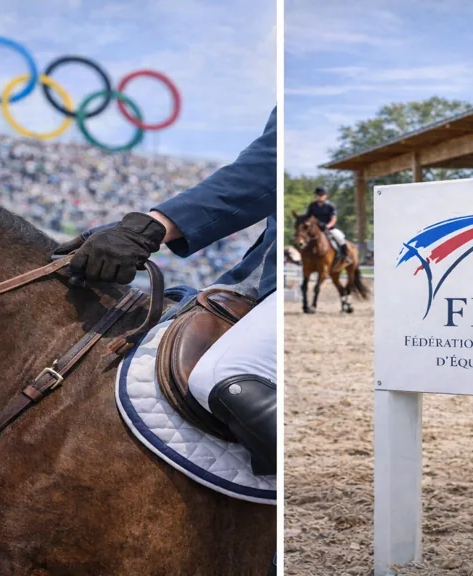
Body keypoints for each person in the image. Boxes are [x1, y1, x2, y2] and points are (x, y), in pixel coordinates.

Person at [55, 107, 277, 476]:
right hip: (249, 274)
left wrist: (150, 228)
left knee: (222, 374)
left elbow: (263, 169)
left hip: (267, 278)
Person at [303, 186, 348, 263]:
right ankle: (303, 258)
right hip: (315, 229)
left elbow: (333, 219)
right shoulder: (312, 206)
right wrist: (307, 223)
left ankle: (345, 257)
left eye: (322, 195)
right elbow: (307, 217)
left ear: (325, 196)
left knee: (340, 238)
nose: (320, 196)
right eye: (318, 195)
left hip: (329, 228)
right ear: (315, 196)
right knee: (302, 239)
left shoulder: (330, 206)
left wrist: (327, 226)